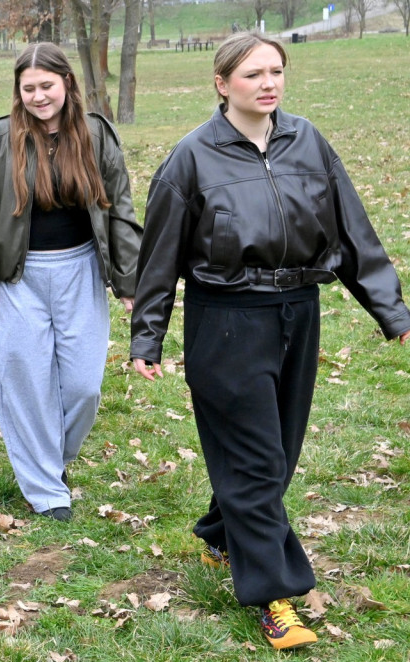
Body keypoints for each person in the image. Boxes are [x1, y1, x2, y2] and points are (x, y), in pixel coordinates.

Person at [129, 32, 410, 650]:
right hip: (225, 320)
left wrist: (391, 310)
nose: (268, 83)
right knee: (257, 463)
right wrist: (147, 338)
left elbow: (353, 232)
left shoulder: (307, 142)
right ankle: (274, 594)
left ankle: (219, 532)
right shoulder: (192, 158)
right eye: (254, 73)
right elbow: (159, 258)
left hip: (297, 313)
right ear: (222, 83)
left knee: (274, 455)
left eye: (276, 71)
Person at [0, 43, 142, 522]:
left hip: (80, 272)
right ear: (18, 91)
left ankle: (51, 458)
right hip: (17, 276)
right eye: (29, 88)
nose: (39, 97)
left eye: (47, 86)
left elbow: (120, 209)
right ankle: (46, 490)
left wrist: (131, 282)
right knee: (27, 384)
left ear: (67, 84)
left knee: (83, 386)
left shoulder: (96, 135)